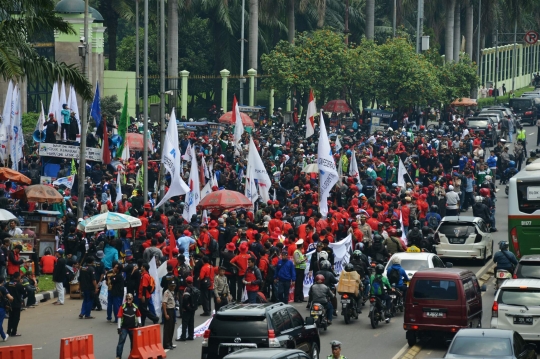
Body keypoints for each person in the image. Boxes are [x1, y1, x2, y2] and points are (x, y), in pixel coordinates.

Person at [116, 293, 141, 359]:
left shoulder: (135, 307)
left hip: (133, 328)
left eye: (129, 299)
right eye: (127, 298)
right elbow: (119, 317)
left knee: (133, 343)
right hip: (124, 328)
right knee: (121, 342)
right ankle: (118, 356)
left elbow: (138, 315)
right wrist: (119, 328)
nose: (128, 300)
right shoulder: (123, 307)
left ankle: (132, 355)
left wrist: (139, 323)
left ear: (132, 299)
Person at [178, 276, 197, 341]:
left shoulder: (187, 289)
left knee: (185, 322)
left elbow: (185, 298)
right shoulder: (194, 288)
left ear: (186, 281)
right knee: (191, 322)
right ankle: (191, 336)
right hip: (193, 308)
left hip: (187, 308)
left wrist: (184, 307)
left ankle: (183, 337)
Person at [6, 272, 24, 337]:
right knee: (16, 318)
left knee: (10, 317)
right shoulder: (19, 285)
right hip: (17, 303)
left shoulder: (8, 283)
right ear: (18, 277)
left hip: (9, 303)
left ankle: (8, 331)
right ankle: (14, 332)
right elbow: (24, 292)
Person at [161, 280, 177, 350]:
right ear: (168, 286)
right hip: (168, 310)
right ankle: (166, 344)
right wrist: (166, 314)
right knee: (168, 328)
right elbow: (164, 304)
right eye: (171, 286)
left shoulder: (172, 292)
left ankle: (170, 342)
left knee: (172, 327)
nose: (173, 287)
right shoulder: (166, 292)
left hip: (172, 310)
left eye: (174, 286)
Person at [0, 276, 13, 341]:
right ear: (2, 282)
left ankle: (4, 336)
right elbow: (10, 297)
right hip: (1, 308)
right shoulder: (3, 288)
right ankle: (4, 336)